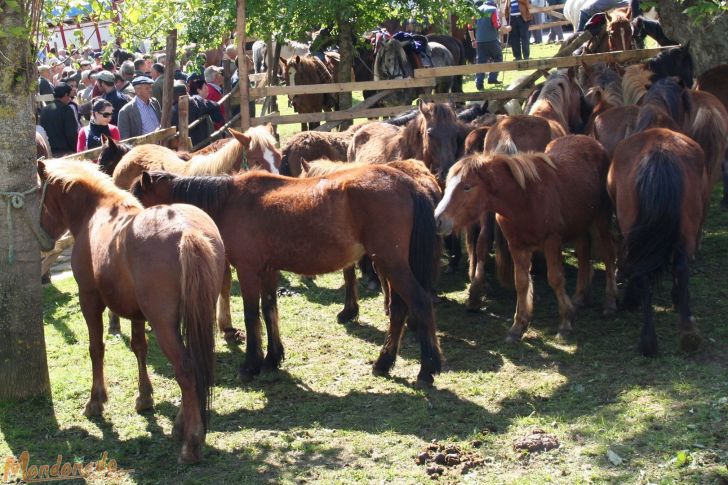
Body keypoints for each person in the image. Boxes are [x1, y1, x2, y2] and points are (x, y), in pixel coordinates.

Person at [171, 81, 223, 147]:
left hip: (183, 148)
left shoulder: (171, 111)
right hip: (202, 143)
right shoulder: (196, 101)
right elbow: (215, 106)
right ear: (187, 92)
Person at [39, 83, 80, 156]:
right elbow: (71, 134)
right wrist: (76, 149)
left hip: (48, 151)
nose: (70, 99)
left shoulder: (44, 110)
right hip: (65, 152)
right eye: (69, 96)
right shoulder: (67, 110)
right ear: (65, 95)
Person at [471, 0, 504, 89]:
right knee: (498, 57)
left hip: (480, 41)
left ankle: (479, 83)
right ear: (493, 4)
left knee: (481, 62)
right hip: (492, 40)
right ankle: (492, 78)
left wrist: (473, 40)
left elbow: (470, 26)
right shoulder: (493, 9)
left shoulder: (477, 10)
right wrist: (505, 26)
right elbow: (497, 25)